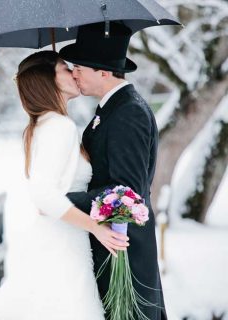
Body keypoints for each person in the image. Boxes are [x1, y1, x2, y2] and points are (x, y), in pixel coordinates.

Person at [0, 50, 129, 320]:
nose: (74, 72)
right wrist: (96, 227)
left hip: (62, 238)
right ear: (50, 81)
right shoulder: (58, 126)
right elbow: (42, 194)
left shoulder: (46, 124)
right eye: (65, 69)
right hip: (63, 244)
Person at [60, 22, 167, 319]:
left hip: (123, 249)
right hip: (111, 242)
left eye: (80, 66)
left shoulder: (128, 113)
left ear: (103, 72)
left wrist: (64, 202)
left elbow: (125, 192)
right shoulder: (113, 108)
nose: (74, 73)